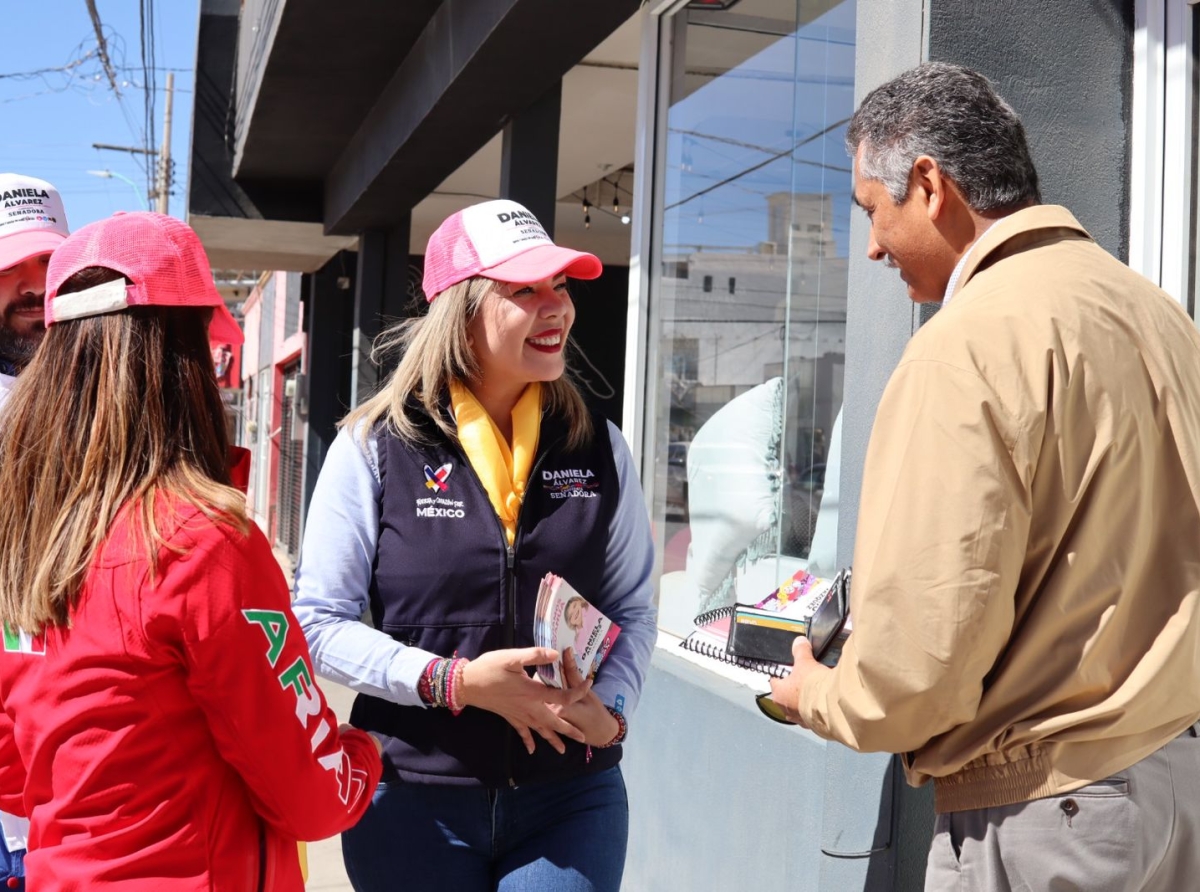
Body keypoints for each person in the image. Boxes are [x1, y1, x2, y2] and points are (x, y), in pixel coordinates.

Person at [768, 62, 1200, 890]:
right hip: (1172, 784)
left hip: (1049, 814)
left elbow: (920, 663)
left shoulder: (966, 342)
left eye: (872, 210)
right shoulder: (1157, 313)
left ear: (929, 184)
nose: (871, 245)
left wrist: (819, 695)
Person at [0, 211, 383, 891]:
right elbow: (313, 792)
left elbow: (12, 764)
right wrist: (368, 753)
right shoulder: (201, 541)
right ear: (187, 356)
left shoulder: (20, 531)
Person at [292, 198, 657, 892]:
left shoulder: (602, 447)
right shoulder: (372, 448)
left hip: (570, 796)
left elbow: (634, 609)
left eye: (561, 287)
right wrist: (452, 683)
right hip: (413, 797)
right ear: (461, 310)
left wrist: (611, 713)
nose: (557, 308)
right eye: (525, 290)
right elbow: (316, 624)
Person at [0, 172, 69, 891]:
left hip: (69, 779)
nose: (30, 286)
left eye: (46, 265)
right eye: (9, 267)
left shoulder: (102, 402)